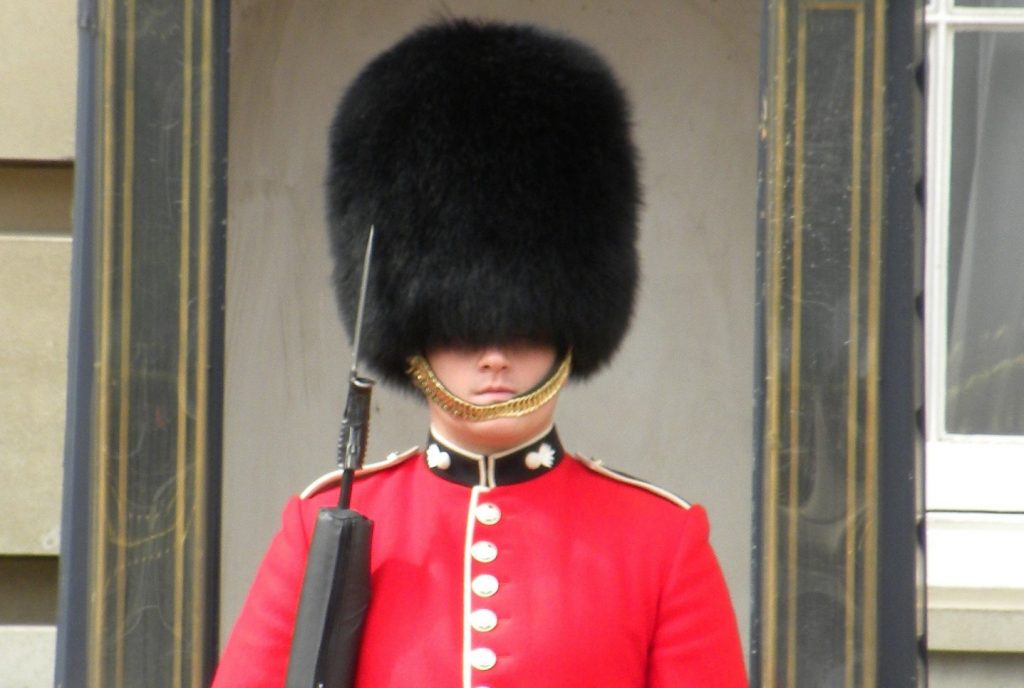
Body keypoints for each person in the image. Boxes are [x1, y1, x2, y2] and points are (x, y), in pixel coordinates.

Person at [213, 18, 747, 687]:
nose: (494, 356)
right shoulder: (326, 526)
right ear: (412, 334)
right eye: (463, 329)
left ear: (567, 326)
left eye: (524, 327)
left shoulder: (662, 542)